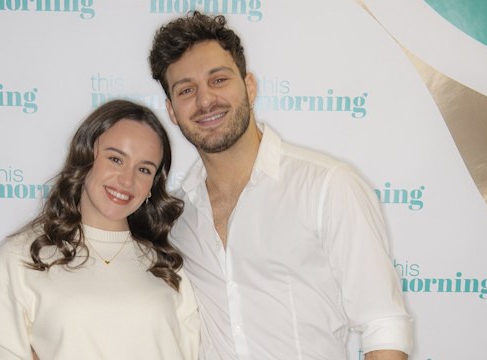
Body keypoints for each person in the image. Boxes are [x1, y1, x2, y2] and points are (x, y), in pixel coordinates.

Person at [149, 12, 413, 360]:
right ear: (171, 110)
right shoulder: (177, 216)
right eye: (186, 90)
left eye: (219, 80)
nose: (205, 100)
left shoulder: (327, 186)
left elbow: (383, 324)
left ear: (250, 86)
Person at [0, 100, 200, 360]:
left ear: (152, 184)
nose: (127, 180)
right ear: (85, 158)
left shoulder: (168, 265)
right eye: (116, 159)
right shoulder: (21, 257)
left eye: (143, 169)